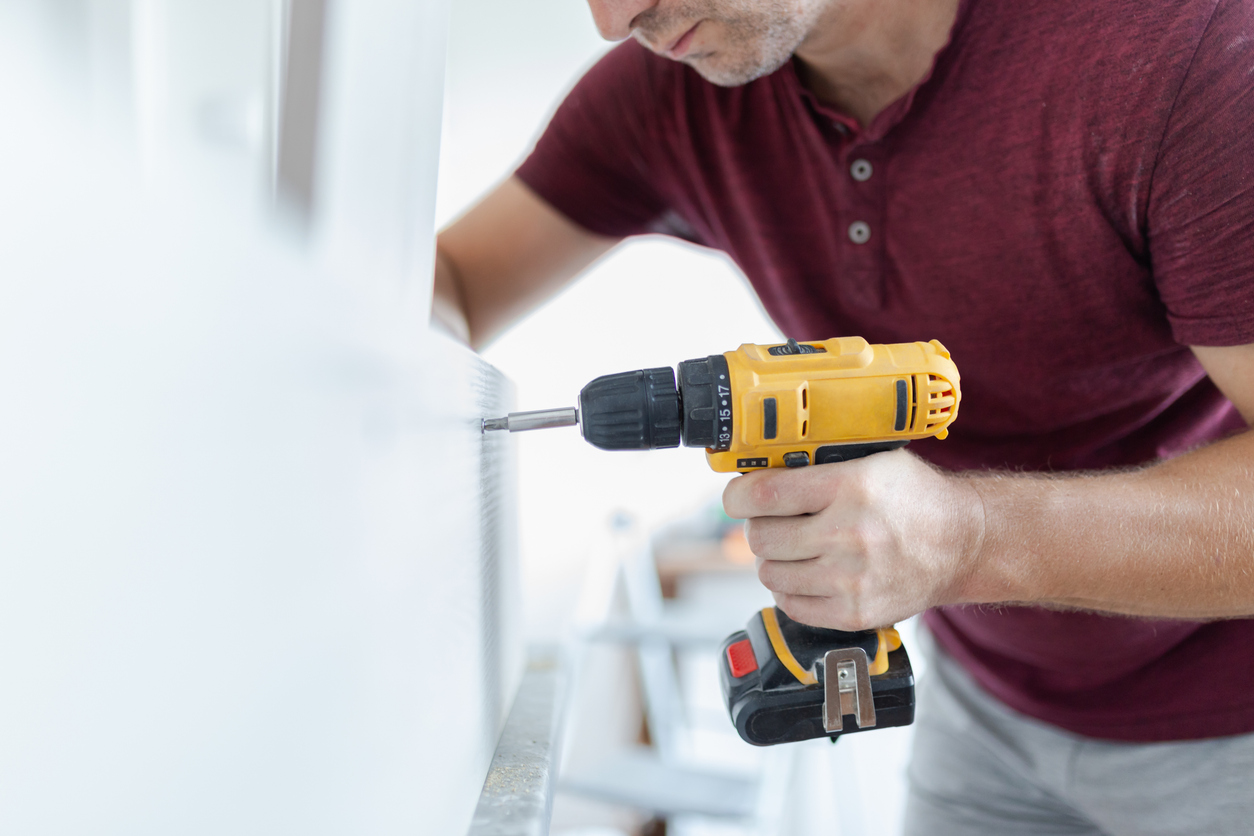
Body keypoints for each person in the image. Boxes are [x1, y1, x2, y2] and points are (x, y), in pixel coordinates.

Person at [432, 0, 1254, 832]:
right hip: (984, 713)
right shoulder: (672, 92)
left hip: (1231, 733)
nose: (613, 19)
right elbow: (453, 280)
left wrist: (968, 539)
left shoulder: (1184, 51)